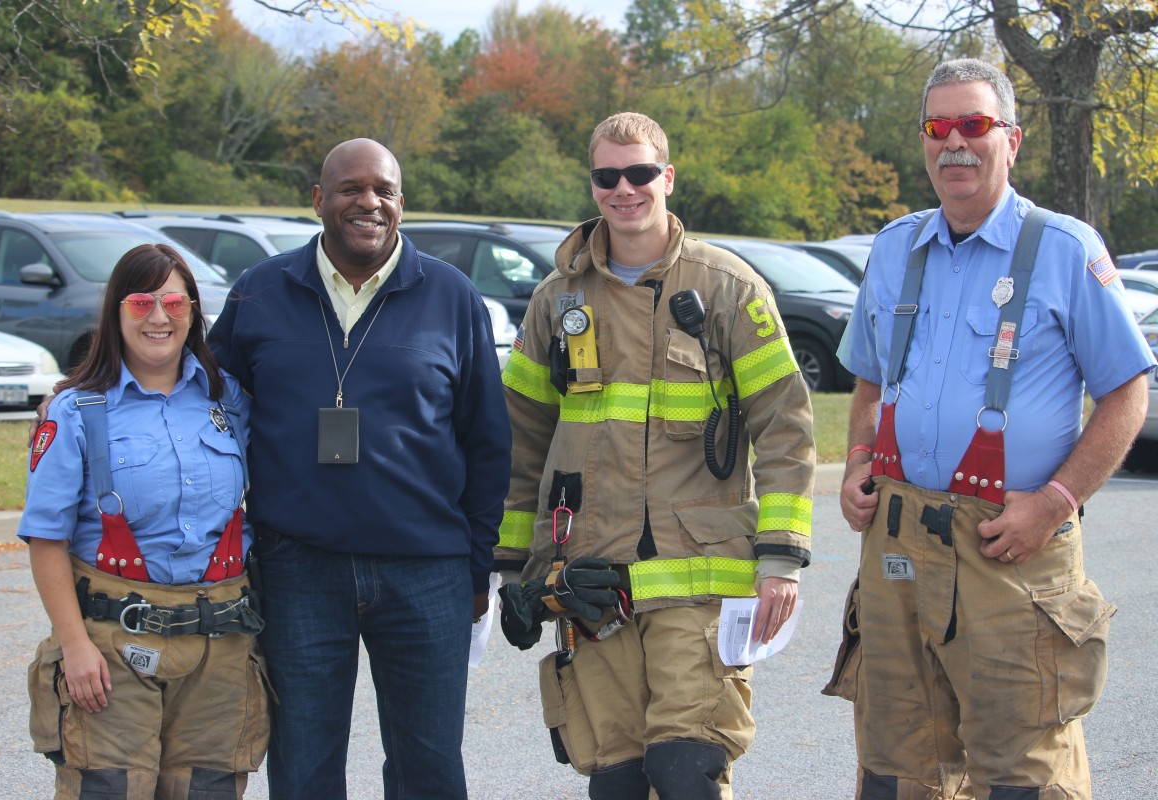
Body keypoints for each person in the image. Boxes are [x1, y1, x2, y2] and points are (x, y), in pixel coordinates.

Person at [827, 58, 1156, 799]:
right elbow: (871, 377)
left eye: (973, 125)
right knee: (894, 775)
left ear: (1011, 137)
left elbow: (1127, 392)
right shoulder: (893, 248)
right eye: (937, 127)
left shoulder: (1066, 250)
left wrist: (1056, 503)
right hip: (899, 549)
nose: (954, 144)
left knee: (1023, 781)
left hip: (1009, 549)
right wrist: (854, 460)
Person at [495, 111, 816, 799]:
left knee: (686, 771)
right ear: (594, 185)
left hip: (700, 580)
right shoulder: (558, 300)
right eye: (608, 176)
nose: (625, 189)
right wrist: (512, 572)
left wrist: (781, 557)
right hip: (590, 581)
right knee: (616, 781)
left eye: (640, 173)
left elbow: (786, 428)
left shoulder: (727, 287)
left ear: (667, 177)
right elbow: (520, 440)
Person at [206, 138, 511, 799]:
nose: (368, 202)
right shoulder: (261, 292)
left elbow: (489, 441)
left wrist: (477, 563)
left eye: (384, 190)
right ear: (318, 199)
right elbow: (207, 412)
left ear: (402, 204)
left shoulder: (452, 298)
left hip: (427, 574)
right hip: (298, 571)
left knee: (427, 771)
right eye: (350, 188)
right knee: (304, 767)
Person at [21, 244, 266, 799]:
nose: (159, 317)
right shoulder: (76, 411)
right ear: (115, 311)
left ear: (194, 312)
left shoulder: (231, 403)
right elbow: (45, 539)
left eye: (175, 302)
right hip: (110, 650)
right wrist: (75, 645)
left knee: (208, 790)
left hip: (220, 652)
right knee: (109, 789)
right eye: (141, 302)